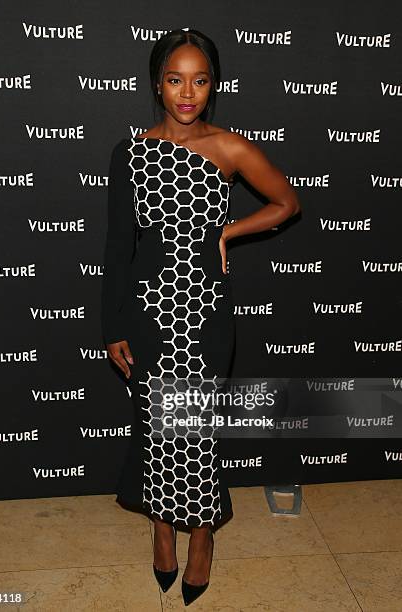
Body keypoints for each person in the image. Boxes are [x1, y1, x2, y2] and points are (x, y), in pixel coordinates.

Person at [101, 28, 300, 606]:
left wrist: (227, 233)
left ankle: (203, 536)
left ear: (212, 87)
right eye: (174, 79)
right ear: (158, 84)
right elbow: (117, 249)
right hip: (145, 316)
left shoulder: (230, 148)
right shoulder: (130, 154)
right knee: (154, 430)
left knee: (194, 433)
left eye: (199, 80)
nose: (187, 92)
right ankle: (162, 529)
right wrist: (111, 327)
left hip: (206, 314)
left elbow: (287, 202)